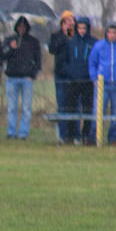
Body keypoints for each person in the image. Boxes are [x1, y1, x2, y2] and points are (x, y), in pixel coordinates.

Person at [1, 16, 41, 140]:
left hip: (26, 79)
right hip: (11, 78)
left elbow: (38, 61)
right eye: (19, 26)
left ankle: (23, 133)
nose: (21, 29)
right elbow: (2, 55)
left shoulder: (33, 42)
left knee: (26, 108)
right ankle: (11, 132)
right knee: (12, 108)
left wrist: (32, 75)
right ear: (16, 27)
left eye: (23, 27)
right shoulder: (10, 40)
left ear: (27, 27)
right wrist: (11, 48)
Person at [63, 17, 97, 144]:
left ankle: (86, 136)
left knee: (88, 109)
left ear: (88, 29)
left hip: (88, 81)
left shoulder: (94, 43)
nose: (82, 30)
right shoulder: (70, 42)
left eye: (84, 28)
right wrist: (70, 72)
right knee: (71, 108)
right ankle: (70, 135)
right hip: (73, 81)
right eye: (79, 28)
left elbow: (96, 61)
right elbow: (65, 61)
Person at [48, 10, 76, 142]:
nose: (70, 24)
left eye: (72, 21)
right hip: (60, 75)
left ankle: (74, 135)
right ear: (62, 23)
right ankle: (62, 135)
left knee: (75, 106)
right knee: (62, 105)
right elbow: (52, 49)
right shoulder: (56, 36)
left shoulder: (76, 36)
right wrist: (64, 36)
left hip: (74, 76)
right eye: (67, 21)